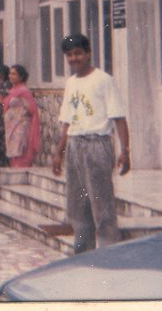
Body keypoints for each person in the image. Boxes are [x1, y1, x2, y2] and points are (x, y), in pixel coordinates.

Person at [51, 33, 131, 254]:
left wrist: (125, 150)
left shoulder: (103, 80)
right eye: (69, 55)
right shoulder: (70, 83)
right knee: (78, 206)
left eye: (78, 53)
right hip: (75, 145)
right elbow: (67, 121)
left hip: (97, 144)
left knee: (101, 203)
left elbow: (119, 118)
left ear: (88, 53)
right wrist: (59, 152)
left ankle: (108, 253)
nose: (74, 58)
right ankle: (82, 254)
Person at [0, 65, 41, 167]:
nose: (10, 76)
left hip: (20, 127)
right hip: (11, 128)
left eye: (14, 74)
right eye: (10, 73)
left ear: (21, 77)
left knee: (20, 151)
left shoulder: (24, 92)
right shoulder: (12, 91)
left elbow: (32, 109)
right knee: (13, 153)